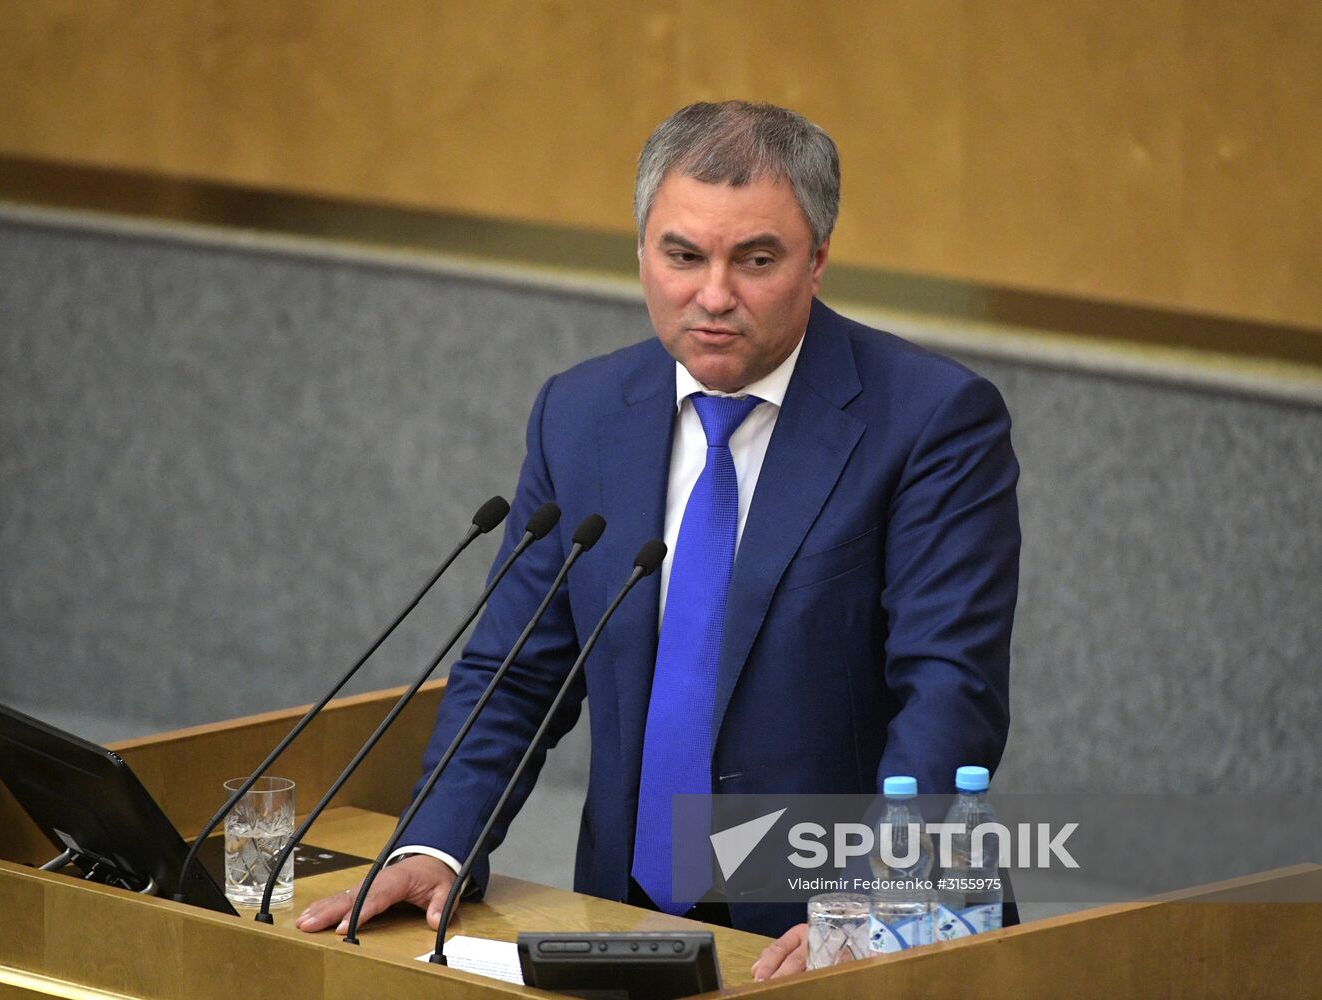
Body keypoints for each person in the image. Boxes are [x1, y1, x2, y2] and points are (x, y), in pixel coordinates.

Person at [297, 101, 1020, 978]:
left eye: (756, 260)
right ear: (640, 250)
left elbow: (949, 691)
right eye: (683, 256)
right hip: (626, 910)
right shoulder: (582, 413)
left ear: (818, 259)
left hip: (833, 928)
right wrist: (439, 844)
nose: (713, 295)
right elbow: (518, 667)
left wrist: (878, 909)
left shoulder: (931, 420)